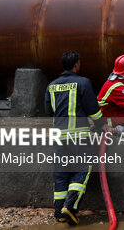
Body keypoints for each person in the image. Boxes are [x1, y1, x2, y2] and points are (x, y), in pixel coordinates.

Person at [45, 51, 105, 225]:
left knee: (61, 174)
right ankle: (70, 208)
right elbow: (93, 110)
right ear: (77, 64)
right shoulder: (83, 82)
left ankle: (59, 211)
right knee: (81, 170)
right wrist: (101, 125)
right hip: (79, 137)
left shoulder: (52, 85)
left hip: (59, 138)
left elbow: (50, 111)